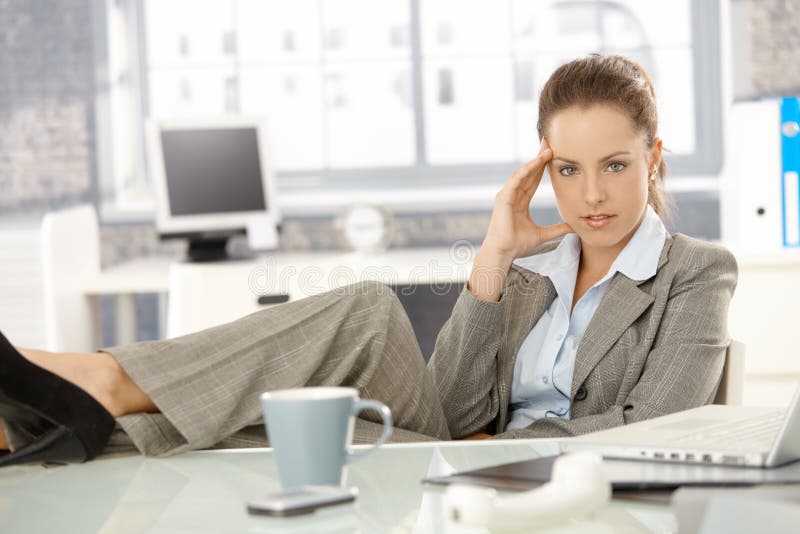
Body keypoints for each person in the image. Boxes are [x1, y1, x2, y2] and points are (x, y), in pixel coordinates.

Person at [0, 54, 737, 465]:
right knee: (291, 413)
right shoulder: (528, 269)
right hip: (459, 458)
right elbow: (448, 412)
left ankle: (94, 387)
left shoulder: (696, 271)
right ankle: (47, 423)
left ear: (654, 158)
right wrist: (491, 265)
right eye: (568, 170)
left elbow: (657, 427)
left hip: (533, 478)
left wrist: (505, 445)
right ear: (545, 172)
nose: (591, 195)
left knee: (350, 340)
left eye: (614, 165)